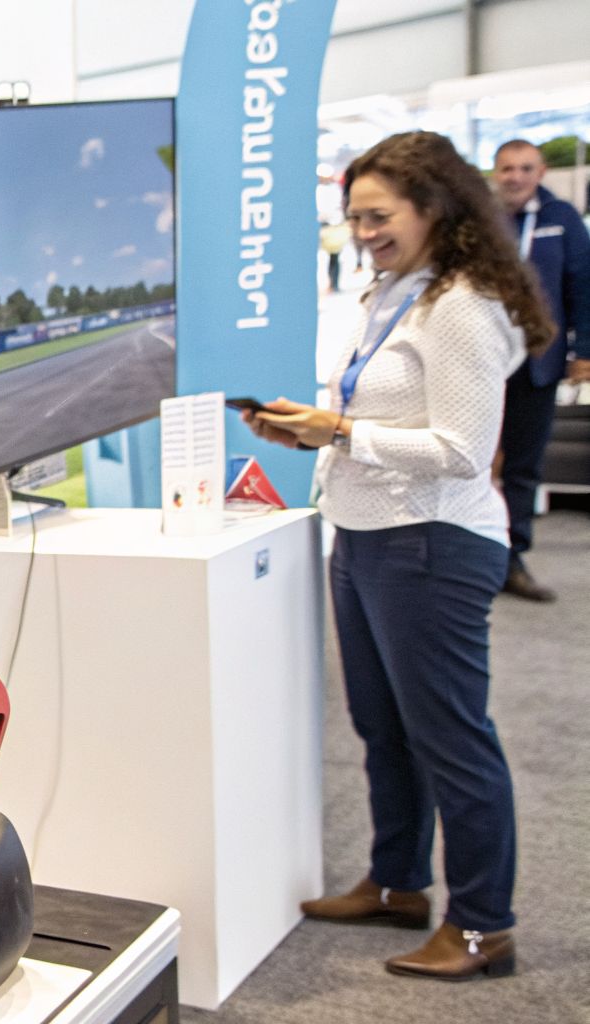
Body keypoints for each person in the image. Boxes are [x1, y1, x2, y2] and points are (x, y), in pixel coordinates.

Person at [242, 131, 556, 981]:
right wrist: (311, 429)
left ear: (434, 208)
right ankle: (397, 884)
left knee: (452, 738)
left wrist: (339, 429)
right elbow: (388, 416)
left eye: (377, 216)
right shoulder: (396, 292)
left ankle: (485, 926)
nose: (363, 231)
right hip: (369, 536)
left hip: (434, 544)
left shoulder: (461, 304)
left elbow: (460, 448)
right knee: (384, 729)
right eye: (351, 218)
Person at [489, 138, 590, 602]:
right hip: (483, 361)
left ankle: (513, 558)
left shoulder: (561, 218)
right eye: (507, 168)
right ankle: (475, 558)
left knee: (523, 466)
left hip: (537, 363)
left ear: (541, 171)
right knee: (468, 463)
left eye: (524, 168)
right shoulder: (481, 219)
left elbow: (582, 285)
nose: (515, 177)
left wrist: (583, 349)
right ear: (495, 172)